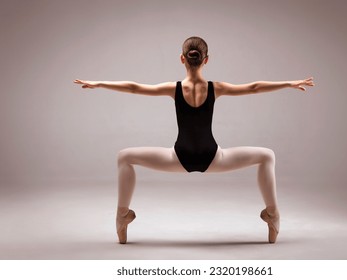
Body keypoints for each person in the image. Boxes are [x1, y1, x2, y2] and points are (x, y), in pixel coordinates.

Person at [74, 36, 314, 244]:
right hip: (213, 158)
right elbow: (253, 87)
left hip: (179, 158)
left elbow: (135, 87)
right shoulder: (215, 87)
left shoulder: (174, 88)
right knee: (267, 156)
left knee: (125, 157)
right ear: (206, 60)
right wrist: (289, 83)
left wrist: (99, 83)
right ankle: (272, 214)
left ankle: (122, 215)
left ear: (182, 59)